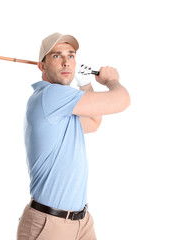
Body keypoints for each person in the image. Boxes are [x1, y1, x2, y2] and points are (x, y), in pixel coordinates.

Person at [17, 32, 131, 240]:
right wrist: (112, 81)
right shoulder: (51, 96)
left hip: (82, 222)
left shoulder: (62, 107)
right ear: (41, 66)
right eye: (56, 56)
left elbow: (94, 122)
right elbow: (121, 101)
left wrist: (85, 84)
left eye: (71, 55)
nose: (66, 62)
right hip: (49, 225)